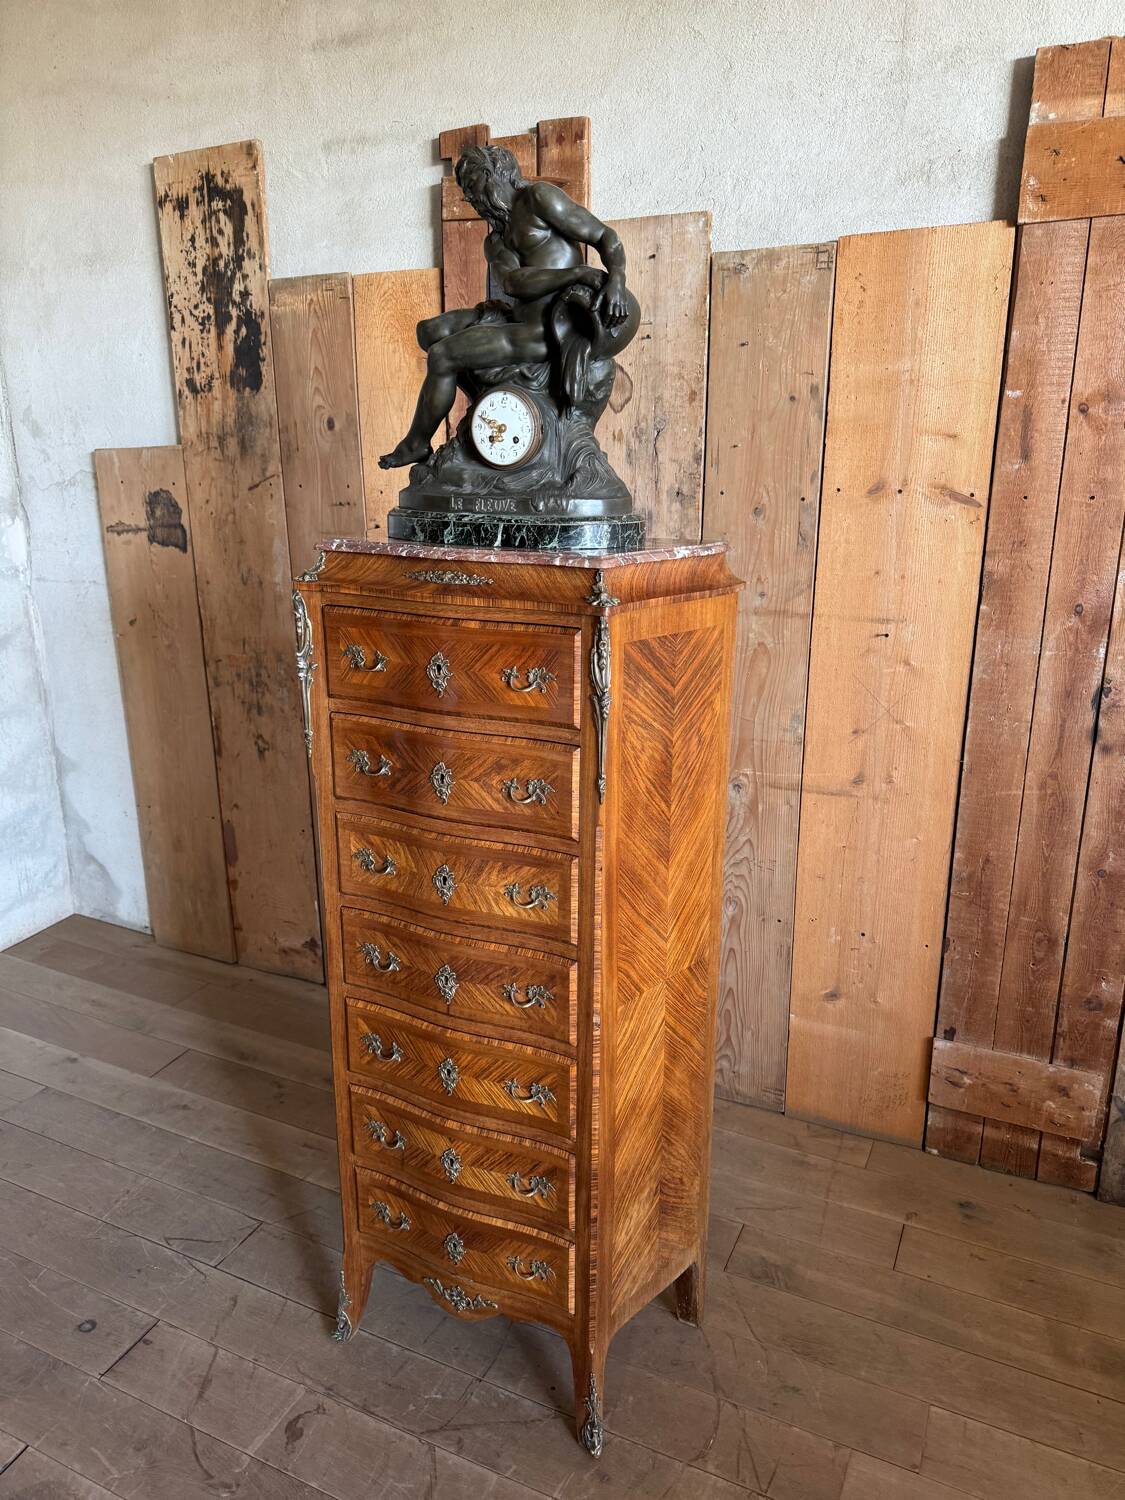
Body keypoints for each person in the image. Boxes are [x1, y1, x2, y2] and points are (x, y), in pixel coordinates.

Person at [378, 143, 639, 469]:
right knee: (429, 332)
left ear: (498, 176)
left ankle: (416, 443)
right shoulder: (495, 240)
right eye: (468, 193)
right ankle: (483, 404)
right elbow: (514, 283)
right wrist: (578, 272)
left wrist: (616, 278)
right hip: (517, 315)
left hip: (549, 328)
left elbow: (605, 237)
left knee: (442, 355)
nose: (473, 200)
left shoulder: (539, 199)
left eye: (475, 187)